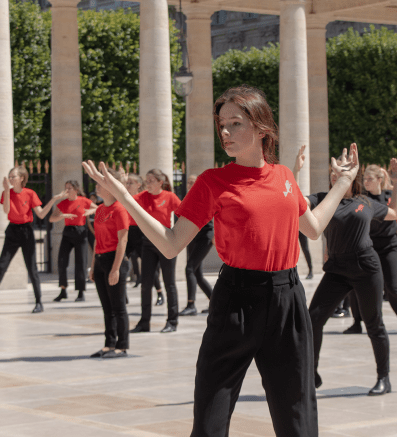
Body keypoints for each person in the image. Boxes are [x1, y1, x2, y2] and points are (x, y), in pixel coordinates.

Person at [83, 85, 359, 437]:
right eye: (222, 124)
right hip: (235, 300)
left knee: (298, 415)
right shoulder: (213, 181)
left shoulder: (284, 177)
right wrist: (124, 197)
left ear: (262, 128)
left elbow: (315, 228)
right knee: (211, 415)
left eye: (235, 123)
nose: (225, 132)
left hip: (288, 300)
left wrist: (343, 183)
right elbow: (170, 244)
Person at [298, 148, 397, 396]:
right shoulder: (321, 199)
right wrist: (294, 171)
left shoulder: (365, 202)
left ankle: (383, 378)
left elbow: (395, 213)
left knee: (373, 323)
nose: (335, 178)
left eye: (340, 174)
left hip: (366, 267)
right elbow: (297, 203)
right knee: (313, 319)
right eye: (332, 174)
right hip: (336, 268)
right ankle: (311, 375)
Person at [0, 166, 66, 315]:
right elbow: (6, 211)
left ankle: (38, 302)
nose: (10, 179)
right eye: (9, 176)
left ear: (22, 178)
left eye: (13, 176)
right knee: (1, 267)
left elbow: (41, 214)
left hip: (26, 232)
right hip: (12, 231)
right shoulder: (7, 193)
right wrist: (5, 190)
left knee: (32, 268)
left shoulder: (30, 193)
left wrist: (54, 199)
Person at [344, 165, 397, 335]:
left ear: (379, 180)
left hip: (389, 246)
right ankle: (357, 322)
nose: (365, 182)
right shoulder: (362, 198)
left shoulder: (390, 195)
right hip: (368, 246)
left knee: (392, 286)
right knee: (357, 284)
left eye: (369, 179)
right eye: (364, 179)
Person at [131, 169, 182, 333]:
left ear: (160, 182)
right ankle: (144, 322)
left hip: (167, 242)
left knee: (169, 284)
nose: (148, 183)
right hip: (148, 244)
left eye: (151, 180)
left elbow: (184, 213)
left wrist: (178, 236)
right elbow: (126, 202)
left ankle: (172, 322)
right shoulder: (143, 196)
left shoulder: (169, 197)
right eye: (146, 180)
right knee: (145, 284)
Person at [89, 169, 132, 358]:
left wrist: (115, 269)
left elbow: (123, 241)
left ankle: (122, 347)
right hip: (100, 260)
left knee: (118, 307)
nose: (97, 186)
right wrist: (93, 265)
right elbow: (96, 240)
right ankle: (108, 344)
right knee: (107, 308)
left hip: (115, 259)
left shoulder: (120, 209)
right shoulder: (99, 209)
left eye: (101, 183)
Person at [51, 180, 96, 303]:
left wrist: (90, 211)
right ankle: (63, 290)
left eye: (69, 188)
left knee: (81, 263)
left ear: (76, 189)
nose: (67, 190)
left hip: (81, 232)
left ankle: (81, 292)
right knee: (61, 261)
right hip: (68, 232)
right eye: (66, 188)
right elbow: (51, 218)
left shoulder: (84, 201)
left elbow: (98, 209)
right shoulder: (63, 203)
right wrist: (63, 216)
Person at [179, 174, 214, 316]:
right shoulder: (188, 199)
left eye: (193, 182)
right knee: (197, 274)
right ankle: (215, 303)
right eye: (188, 182)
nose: (190, 184)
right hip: (193, 237)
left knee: (189, 269)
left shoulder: (204, 197)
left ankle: (191, 305)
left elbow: (216, 216)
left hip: (204, 238)